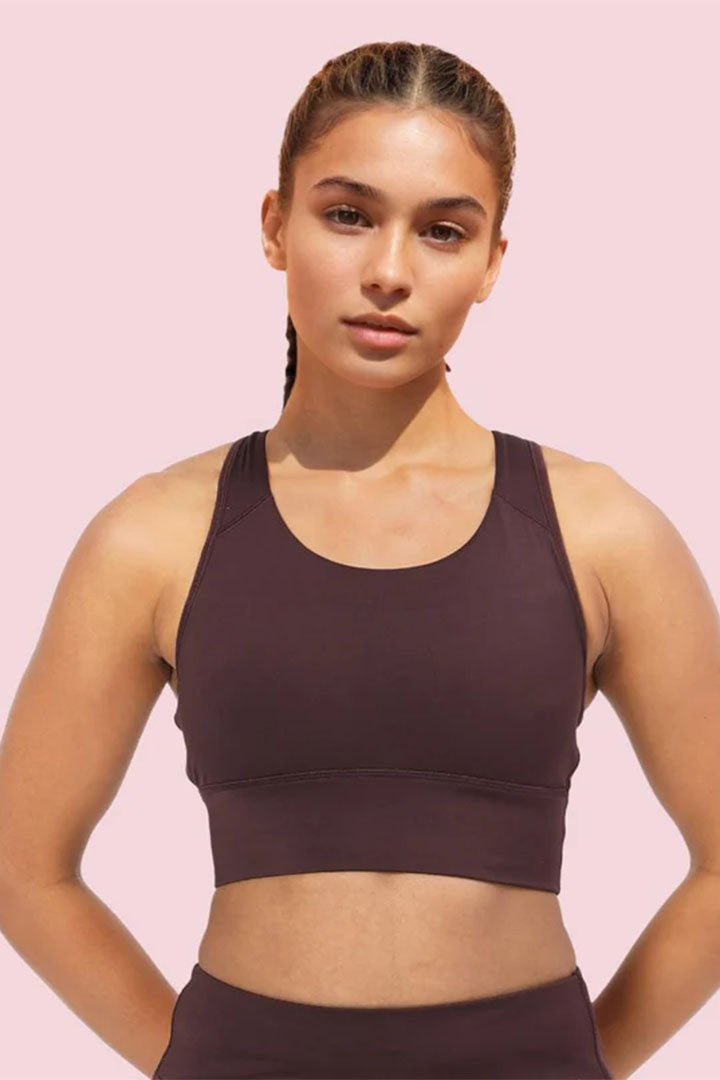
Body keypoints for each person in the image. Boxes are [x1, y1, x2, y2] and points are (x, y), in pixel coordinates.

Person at [1, 39, 719, 1080]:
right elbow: (22, 868)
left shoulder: (602, 532)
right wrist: (195, 1061)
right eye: (348, 215)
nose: (389, 270)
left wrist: (583, 1063)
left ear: (492, 262)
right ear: (275, 226)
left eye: (442, 231)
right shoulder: (153, 537)